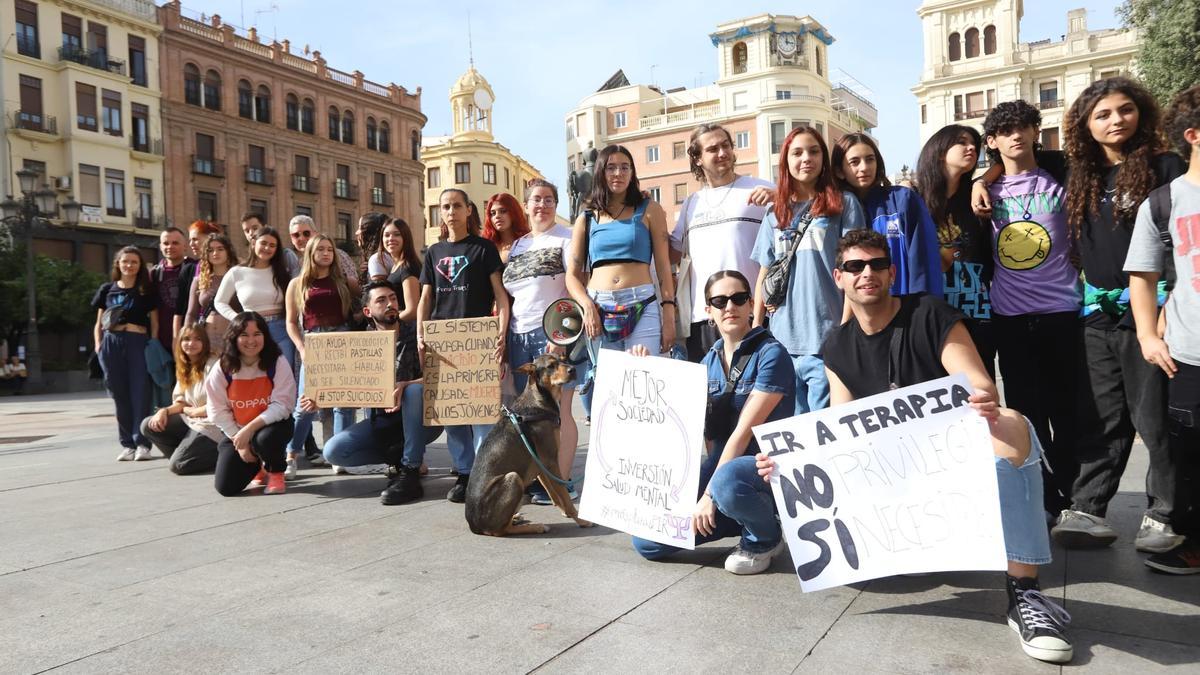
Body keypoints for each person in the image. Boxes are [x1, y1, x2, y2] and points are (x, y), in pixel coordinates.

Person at [759, 230, 1073, 663]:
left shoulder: (930, 313)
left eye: (876, 264)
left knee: (1010, 425)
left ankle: (1025, 593)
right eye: (854, 267)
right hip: (894, 477)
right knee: (764, 467)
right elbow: (837, 428)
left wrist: (981, 398)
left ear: (891, 272)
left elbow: (980, 383)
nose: (866, 273)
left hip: (949, 460)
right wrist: (791, 460)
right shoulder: (835, 345)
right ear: (839, 277)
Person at [1047, 77, 1189, 551]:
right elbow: (1010, 159)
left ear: (1141, 113)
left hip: (1153, 311)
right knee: (1100, 416)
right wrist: (985, 180)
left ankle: (1165, 515)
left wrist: (1168, 310)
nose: (1115, 121)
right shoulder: (1079, 173)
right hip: (1095, 313)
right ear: (1085, 125)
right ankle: (1088, 508)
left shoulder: (1166, 167)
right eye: (1103, 114)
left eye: (1124, 110)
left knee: (1154, 419)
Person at [631, 270, 795, 574]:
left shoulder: (772, 355)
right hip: (724, 470)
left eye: (738, 298)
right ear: (708, 311)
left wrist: (708, 496)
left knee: (727, 480)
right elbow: (694, 428)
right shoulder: (707, 362)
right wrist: (642, 370)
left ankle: (765, 536)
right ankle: (739, 516)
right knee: (647, 542)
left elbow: (742, 434)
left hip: (761, 470)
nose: (729, 307)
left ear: (750, 305)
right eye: (719, 301)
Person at [981, 100, 1082, 515]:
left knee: (1068, 407)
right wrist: (979, 178)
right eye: (1006, 131)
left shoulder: (1062, 180)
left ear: (1036, 132)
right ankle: (1043, 495)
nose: (1016, 135)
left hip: (1063, 311)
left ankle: (1076, 494)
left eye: (1023, 127)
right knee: (1025, 412)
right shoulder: (985, 192)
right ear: (993, 141)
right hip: (1010, 316)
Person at [1126, 83, 1200, 574]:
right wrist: (1149, 336)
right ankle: (1191, 541)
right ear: (1193, 135)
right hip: (1188, 353)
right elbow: (1143, 275)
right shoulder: (1164, 202)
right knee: (1188, 456)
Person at [751, 125, 866, 414]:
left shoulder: (843, 204)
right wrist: (756, 326)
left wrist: (844, 327)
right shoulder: (774, 213)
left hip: (827, 338)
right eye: (797, 152)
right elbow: (764, 272)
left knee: (828, 427)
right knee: (792, 432)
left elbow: (855, 270)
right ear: (786, 161)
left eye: (814, 151)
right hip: (782, 342)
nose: (806, 159)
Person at [417, 188, 510, 502]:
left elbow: (500, 295)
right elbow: (426, 297)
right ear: (440, 213)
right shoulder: (433, 252)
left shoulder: (483, 248)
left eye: (457, 205)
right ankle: (464, 473)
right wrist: (421, 333)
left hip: (478, 338)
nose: (451, 211)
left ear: (469, 210)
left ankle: (484, 474)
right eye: (445, 206)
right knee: (453, 414)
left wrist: (500, 334)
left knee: (483, 415)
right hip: (443, 340)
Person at [323, 281, 442, 505]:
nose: (390, 304)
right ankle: (396, 461)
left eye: (393, 298)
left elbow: (441, 375)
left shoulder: (418, 333)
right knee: (334, 451)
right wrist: (319, 395)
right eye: (381, 300)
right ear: (367, 311)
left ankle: (411, 468)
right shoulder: (360, 343)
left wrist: (406, 384)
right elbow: (346, 385)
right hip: (383, 422)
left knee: (414, 391)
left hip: (425, 420)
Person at [502, 179, 580, 503]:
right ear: (526, 205)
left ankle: (561, 481)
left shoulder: (568, 237)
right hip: (518, 335)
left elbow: (575, 285)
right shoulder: (518, 245)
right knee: (532, 415)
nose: (542, 205)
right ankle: (539, 479)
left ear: (556, 205)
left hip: (551, 334)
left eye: (549, 199)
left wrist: (560, 337)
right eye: (536, 199)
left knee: (559, 412)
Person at [671, 123, 774, 362]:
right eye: (713, 149)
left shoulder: (762, 189)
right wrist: (643, 208)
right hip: (705, 319)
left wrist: (782, 197)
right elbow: (672, 253)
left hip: (751, 312)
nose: (722, 153)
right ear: (697, 159)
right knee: (710, 395)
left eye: (726, 145)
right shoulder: (691, 204)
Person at [566, 144, 677, 361]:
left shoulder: (650, 209)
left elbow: (664, 266)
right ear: (600, 172)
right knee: (609, 389)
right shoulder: (586, 219)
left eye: (625, 167)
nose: (619, 173)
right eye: (611, 167)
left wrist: (669, 315)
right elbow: (571, 276)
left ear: (633, 172)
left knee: (643, 381)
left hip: (642, 304)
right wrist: (587, 305)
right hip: (598, 309)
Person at [913, 125, 997, 377]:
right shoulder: (914, 199)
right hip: (933, 313)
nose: (971, 147)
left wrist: (982, 180)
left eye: (974, 143)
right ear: (940, 151)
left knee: (982, 389)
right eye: (961, 142)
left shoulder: (976, 194)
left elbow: (1004, 159)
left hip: (977, 310)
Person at [832, 133, 942, 299]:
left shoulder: (903, 200)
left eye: (870, 159)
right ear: (840, 171)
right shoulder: (833, 212)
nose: (864, 167)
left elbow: (925, 263)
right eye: (854, 162)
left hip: (905, 312)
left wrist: (924, 312)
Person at [284, 234, 357, 479]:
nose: (326, 253)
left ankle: (339, 455)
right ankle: (291, 454)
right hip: (313, 343)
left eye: (330, 250)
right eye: (321, 249)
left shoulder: (344, 281)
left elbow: (360, 308)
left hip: (342, 340)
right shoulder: (297, 284)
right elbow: (291, 323)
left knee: (343, 404)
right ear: (311, 253)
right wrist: (302, 349)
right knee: (305, 405)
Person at [205, 311, 296, 496]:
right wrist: (240, 442)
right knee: (226, 488)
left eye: (257, 334)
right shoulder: (223, 367)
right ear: (234, 338)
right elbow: (216, 411)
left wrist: (249, 430)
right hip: (237, 431)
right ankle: (258, 466)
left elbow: (283, 405)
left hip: (271, 426)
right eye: (244, 335)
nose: (251, 341)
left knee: (265, 439)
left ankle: (276, 471)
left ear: (265, 336)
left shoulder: (277, 362)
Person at [92, 246, 158, 461]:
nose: (129, 265)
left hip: (138, 342)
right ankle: (127, 444)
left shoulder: (146, 290)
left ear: (140, 266)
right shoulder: (107, 289)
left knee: (140, 393)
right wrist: (98, 346)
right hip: (111, 344)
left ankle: (142, 444)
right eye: (125, 261)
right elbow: (98, 322)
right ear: (118, 264)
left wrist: (152, 343)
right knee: (119, 395)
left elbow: (154, 322)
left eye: (134, 262)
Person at [139, 323, 221, 474]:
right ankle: (189, 454)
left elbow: (219, 404)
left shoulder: (214, 364)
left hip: (212, 425)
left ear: (205, 342)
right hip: (193, 420)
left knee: (177, 466)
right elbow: (180, 401)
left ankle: (218, 456)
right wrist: (163, 411)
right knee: (148, 425)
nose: (191, 343)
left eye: (197, 339)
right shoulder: (184, 366)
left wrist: (192, 411)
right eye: (186, 339)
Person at [213, 226, 296, 371]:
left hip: (282, 331)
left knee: (285, 376)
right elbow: (219, 302)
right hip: (251, 331)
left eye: (272, 245)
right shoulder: (237, 272)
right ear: (253, 243)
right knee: (255, 376)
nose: (267, 248)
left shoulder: (282, 273)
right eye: (263, 243)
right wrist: (238, 318)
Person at [150, 227, 191, 408]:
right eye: (166, 243)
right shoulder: (154, 274)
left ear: (185, 246)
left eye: (175, 243)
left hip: (191, 343)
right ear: (160, 246)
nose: (170, 247)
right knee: (166, 392)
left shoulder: (194, 269)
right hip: (163, 344)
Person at [287, 214, 361, 296]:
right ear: (292, 239)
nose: (301, 238)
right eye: (296, 235)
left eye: (306, 233)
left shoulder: (337, 255)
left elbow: (354, 287)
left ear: (315, 234)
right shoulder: (298, 263)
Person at [185, 234, 234, 356]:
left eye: (220, 249)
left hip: (233, 338)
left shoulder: (238, 278)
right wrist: (188, 338)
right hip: (206, 340)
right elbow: (191, 313)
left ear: (228, 251)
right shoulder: (199, 280)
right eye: (210, 250)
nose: (215, 253)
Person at [176, 220, 221, 338]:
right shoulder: (197, 266)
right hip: (202, 330)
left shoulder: (232, 267)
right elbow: (189, 311)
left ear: (209, 238)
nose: (191, 244)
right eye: (190, 240)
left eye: (195, 239)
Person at [240, 212, 297, 277]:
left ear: (265, 227)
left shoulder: (286, 256)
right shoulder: (242, 268)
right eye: (247, 231)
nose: (251, 233)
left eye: (255, 228)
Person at [483, 192, 532, 266]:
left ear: (514, 213)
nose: (497, 216)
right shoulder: (486, 247)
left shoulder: (529, 243)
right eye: (493, 213)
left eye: (503, 211)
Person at [361, 212, 393, 282]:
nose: (356, 232)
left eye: (360, 228)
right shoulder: (384, 257)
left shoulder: (377, 259)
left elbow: (380, 291)